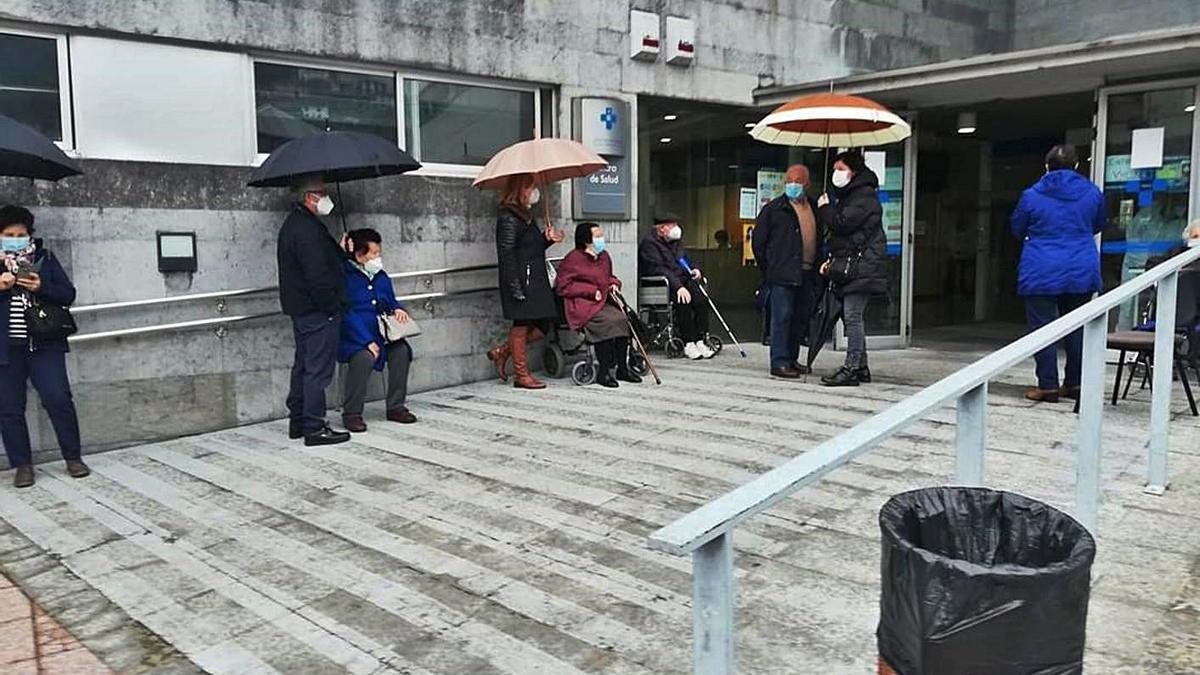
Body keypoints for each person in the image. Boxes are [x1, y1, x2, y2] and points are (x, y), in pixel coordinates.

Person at [0, 205, 88, 488]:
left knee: (58, 399)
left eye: (20, 234)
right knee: (10, 408)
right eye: (9, 234)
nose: (15, 238)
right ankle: (22, 465)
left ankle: (73, 457)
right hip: (6, 350)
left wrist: (41, 288)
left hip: (45, 345)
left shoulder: (45, 259)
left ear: (29, 235)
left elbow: (68, 293)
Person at [1010, 144, 1105, 403]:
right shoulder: (1093, 193)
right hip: (1081, 268)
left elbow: (1018, 228)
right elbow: (1098, 224)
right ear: (1076, 166)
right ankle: (1074, 383)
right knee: (1077, 328)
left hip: (1041, 267)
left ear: (1046, 167)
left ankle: (1048, 386)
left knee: (1042, 329)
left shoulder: (1031, 195)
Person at [277, 176, 352, 445]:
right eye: (322, 193)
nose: (326, 197)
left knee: (304, 366)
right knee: (317, 370)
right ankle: (314, 426)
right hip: (317, 310)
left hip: (303, 309)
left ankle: (298, 421)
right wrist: (331, 306)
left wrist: (341, 252)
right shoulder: (306, 229)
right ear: (310, 197)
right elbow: (317, 274)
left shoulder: (296, 225)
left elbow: (320, 263)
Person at [816, 150, 888, 387]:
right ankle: (861, 367)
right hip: (858, 264)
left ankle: (851, 366)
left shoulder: (863, 196)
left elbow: (843, 225)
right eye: (835, 169)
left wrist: (825, 208)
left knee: (852, 316)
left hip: (863, 267)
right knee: (852, 317)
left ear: (853, 171)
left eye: (840, 169)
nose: (836, 174)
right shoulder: (852, 195)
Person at [485, 175, 563, 389]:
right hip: (520, 279)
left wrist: (546, 239)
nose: (534, 191)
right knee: (521, 324)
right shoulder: (508, 217)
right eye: (530, 187)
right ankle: (521, 375)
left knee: (543, 324)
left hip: (535, 278)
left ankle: (502, 352)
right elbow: (507, 254)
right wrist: (514, 287)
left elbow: (531, 248)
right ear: (519, 190)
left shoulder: (526, 215)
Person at [338, 228, 416, 432]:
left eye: (378, 253)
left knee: (401, 351)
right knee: (363, 358)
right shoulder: (344, 277)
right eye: (373, 253)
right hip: (354, 338)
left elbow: (391, 301)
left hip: (382, 335)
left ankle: (396, 406)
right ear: (359, 254)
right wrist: (365, 340)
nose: (377, 257)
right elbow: (346, 313)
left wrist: (398, 310)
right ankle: (352, 413)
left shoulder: (381, 277)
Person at [754, 164, 820, 378]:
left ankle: (792, 358)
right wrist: (770, 267)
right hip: (782, 273)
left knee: (800, 317)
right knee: (781, 317)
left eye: (798, 181)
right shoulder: (774, 209)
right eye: (789, 181)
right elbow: (759, 243)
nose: (793, 185)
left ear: (807, 184)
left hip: (807, 272)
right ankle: (779, 361)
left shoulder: (813, 206)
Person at [556, 222, 641, 388]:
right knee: (607, 323)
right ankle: (604, 372)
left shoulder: (604, 257)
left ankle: (622, 368)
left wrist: (614, 283)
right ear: (586, 240)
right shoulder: (573, 259)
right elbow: (563, 287)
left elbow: (608, 277)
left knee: (623, 319)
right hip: (583, 304)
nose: (601, 239)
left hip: (602, 301)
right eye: (597, 236)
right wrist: (589, 291)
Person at [639, 214, 714, 360]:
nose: (676, 229)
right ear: (662, 229)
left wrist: (695, 269)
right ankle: (689, 342)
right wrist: (678, 286)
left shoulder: (676, 242)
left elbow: (685, 259)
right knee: (683, 300)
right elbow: (658, 269)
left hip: (682, 280)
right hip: (663, 285)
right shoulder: (649, 244)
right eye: (672, 225)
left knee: (701, 299)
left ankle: (700, 339)